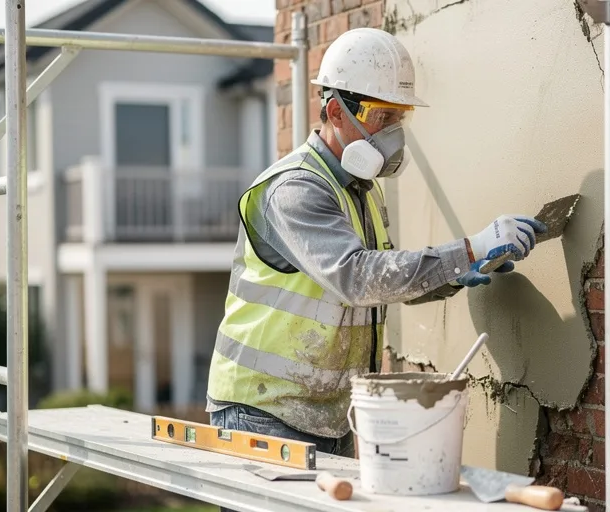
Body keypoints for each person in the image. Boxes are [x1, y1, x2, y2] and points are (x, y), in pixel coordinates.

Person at [205, 27, 546, 466]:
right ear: (336, 111)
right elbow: (358, 278)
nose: (394, 131)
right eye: (381, 116)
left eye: (400, 116)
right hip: (263, 411)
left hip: (328, 414)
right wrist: (468, 248)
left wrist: (456, 274)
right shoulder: (294, 189)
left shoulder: (362, 190)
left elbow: (379, 283)